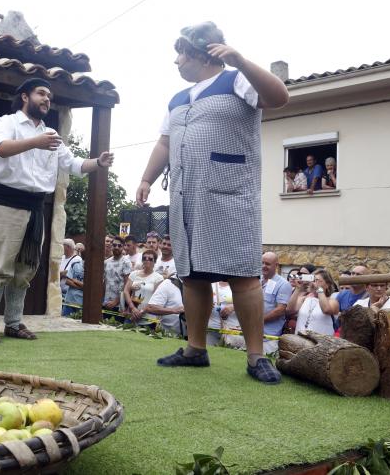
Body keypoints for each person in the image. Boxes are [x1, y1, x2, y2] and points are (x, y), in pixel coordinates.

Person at [136, 22, 289, 384]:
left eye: (181, 53)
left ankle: (255, 357)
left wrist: (240, 59)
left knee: (243, 275)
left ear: (201, 53)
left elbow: (279, 97)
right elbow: (164, 143)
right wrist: (146, 178)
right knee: (192, 275)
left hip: (230, 193)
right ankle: (195, 348)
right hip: (186, 198)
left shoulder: (236, 79)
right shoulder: (177, 99)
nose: (176, 61)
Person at [0, 78, 113, 343]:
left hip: (35, 208)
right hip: (5, 202)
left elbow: (73, 164)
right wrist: (35, 142)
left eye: (49, 96)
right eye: (41, 93)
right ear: (25, 97)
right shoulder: (8, 122)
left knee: (25, 269)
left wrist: (98, 162)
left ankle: (14, 323)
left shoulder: (50, 134)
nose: (47, 99)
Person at [287, 268, 339, 336]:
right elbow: (289, 310)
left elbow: (326, 309)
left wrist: (319, 289)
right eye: (313, 280)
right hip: (300, 341)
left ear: (327, 284)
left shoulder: (333, 302)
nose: (314, 283)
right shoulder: (305, 299)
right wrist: (298, 289)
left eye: (317, 280)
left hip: (321, 343)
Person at [123, 249, 164, 323]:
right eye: (144, 258)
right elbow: (126, 291)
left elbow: (156, 298)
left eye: (150, 259)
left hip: (148, 316)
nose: (147, 260)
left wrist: (142, 312)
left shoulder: (158, 278)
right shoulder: (134, 274)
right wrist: (132, 308)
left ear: (154, 262)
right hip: (132, 312)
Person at [260, 252, 291, 350]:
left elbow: (280, 310)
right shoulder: (256, 280)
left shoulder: (283, 284)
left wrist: (258, 321)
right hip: (252, 332)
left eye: (267, 264)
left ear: (276, 265)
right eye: (262, 263)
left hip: (268, 337)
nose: (264, 266)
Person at [102, 236, 131, 312]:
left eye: (119, 245)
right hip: (106, 302)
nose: (116, 247)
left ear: (123, 247)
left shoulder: (126, 262)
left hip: (119, 305)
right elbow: (105, 282)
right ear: (111, 246)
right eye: (114, 245)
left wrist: (116, 301)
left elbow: (127, 284)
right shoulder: (106, 262)